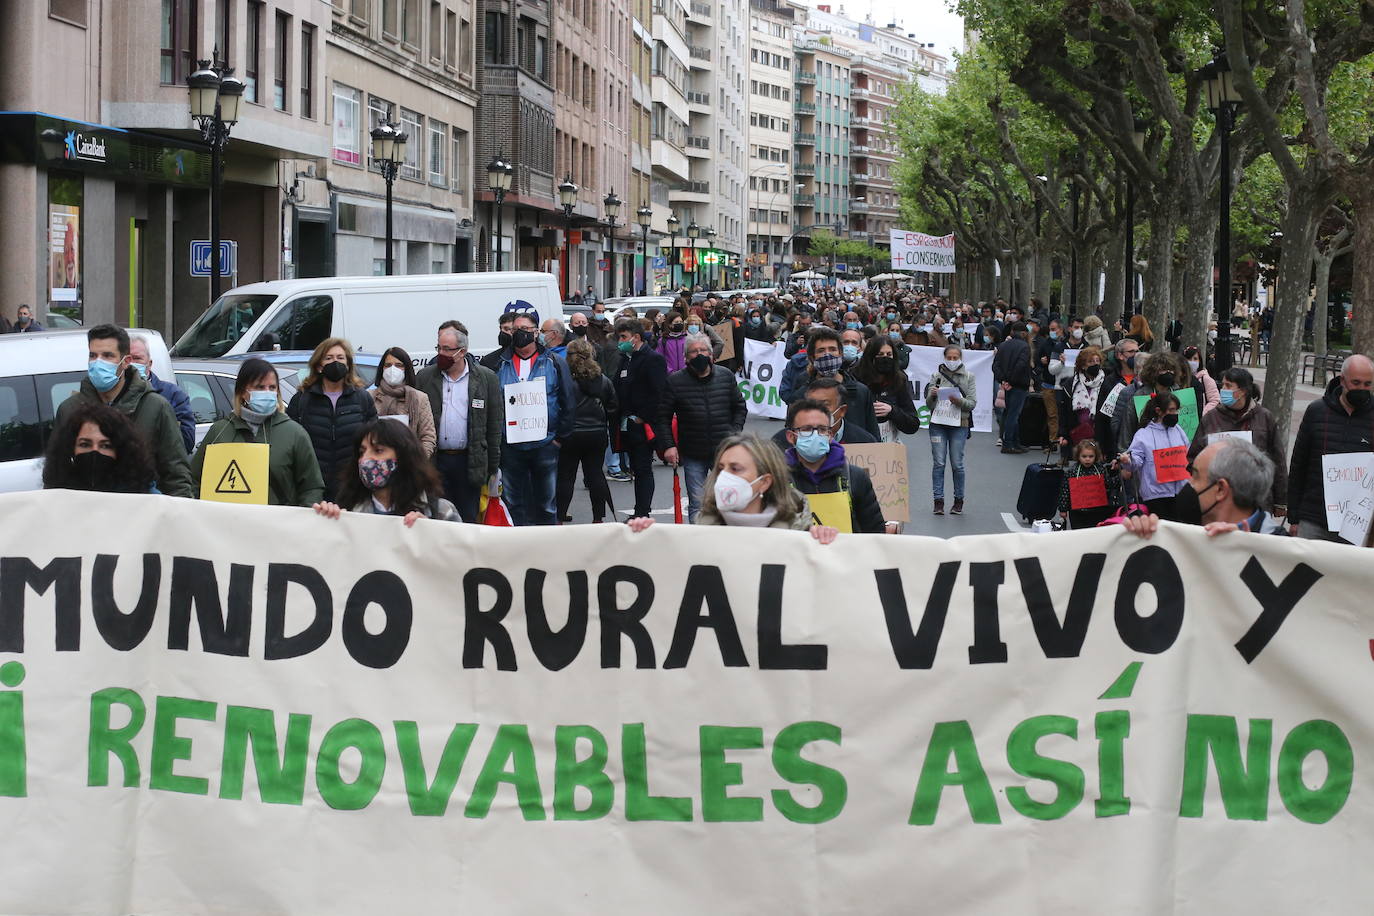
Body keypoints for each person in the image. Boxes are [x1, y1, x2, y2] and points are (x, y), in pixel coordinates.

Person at [55, 324, 194, 497]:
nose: (98, 362)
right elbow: (56, 474)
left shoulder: (156, 407)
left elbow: (176, 476)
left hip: (139, 514)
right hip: (86, 515)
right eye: (93, 355)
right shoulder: (69, 409)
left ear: (126, 361)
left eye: (107, 356)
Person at [627, 434, 838, 542]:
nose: (725, 477)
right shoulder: (701, 532)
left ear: (764, 481)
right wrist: (645, 539)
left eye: (736, 469)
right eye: (721, 469)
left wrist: (823, 542)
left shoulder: (800, 533)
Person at [191, 358, 324, 506]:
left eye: (272, 387)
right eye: (260, 387)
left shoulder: (294, 433)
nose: (267, 393)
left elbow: (312, 487)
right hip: (227, 524)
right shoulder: (219, 431)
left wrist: (301, 518)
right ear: (242, 392)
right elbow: (194, 481)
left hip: (276, 525)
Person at [413, 321, 503, 522]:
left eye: (447, 349)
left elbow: (494, 426)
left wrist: (492, 467)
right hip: (436, 460)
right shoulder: (426, 377)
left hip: (468, 462)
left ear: (462, 352)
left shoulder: (486, 379)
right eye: (439, 348)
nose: (441, 354)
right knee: (437, 517)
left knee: (468, 518)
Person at [496, 310, 576, 525]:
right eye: (515, 330)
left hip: (545, 444)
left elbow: (568, 400)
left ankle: (547, 550)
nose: (519, 334)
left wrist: (559, 438)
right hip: (511, 446)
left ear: (536, 332)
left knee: (547, 504)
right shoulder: (500, 363)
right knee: (512, 502)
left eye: (524, 329)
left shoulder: (554, 362)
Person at [661, 333, 748, 521]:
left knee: (729, 500)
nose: (699, 354)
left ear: (711, 354)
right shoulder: (675, 381)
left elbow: (739, 407)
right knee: (698, 502)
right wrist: (669, 445)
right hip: (693, 452)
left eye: (703, 350)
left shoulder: (725, 376)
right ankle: (698, 544)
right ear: (686, 357)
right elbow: (663, 417)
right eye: (693, 351)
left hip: (724, 451)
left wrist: (734, 434)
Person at [1287, 354, 1374, 542]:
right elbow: (1298, 466)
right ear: (1342, 380)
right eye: (1356, 382)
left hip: (1357, 524)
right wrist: (1294, 517)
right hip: (1313, 519)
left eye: (1367, 384)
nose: (1362, 389)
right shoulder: (1316, 411)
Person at [312, 419, 460, 525]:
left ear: (404, 456)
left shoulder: (441, 512)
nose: (365, 459)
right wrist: (327, 522)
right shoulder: (348, 510)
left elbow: (459, 560)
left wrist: (431, 535)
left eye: (378, 451)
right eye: (362, 452)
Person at [285, 337, 378, 501]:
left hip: (352, 487)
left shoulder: (362, 399)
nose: (335, 362)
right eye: (329, 358)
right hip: (312, 487)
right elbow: (292, 444)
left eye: (340, 358)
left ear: (348, 364)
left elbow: (373, 442)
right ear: (319, 365)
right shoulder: (301, 400)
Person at [1188, 366, 1286, 516]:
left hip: (1257, 501)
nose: (1223, 389)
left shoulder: (1265, 418)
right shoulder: (1210, 418)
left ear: (1243, 391)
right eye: (1223, 385)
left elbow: (1277, 461)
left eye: (1228, 385)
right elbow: (1194, 457)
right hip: (1218, 501)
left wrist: (1281, 501)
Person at [783, 398, 889, 534]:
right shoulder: (780, 481)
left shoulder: (855, 477)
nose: (815, 435)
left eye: (822, 429)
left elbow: (874, 532)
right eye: (807, 429)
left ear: (830, 435)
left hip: (845, 554)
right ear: (791, 436)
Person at [612, 316, 670, 519]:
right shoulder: (626, 360)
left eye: (623, 337)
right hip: (627, 425)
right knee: (636, 469)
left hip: (642, 425)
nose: (620, 341)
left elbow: (659, 393)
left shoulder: (653, 359)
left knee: (643, 469)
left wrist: (642, 418)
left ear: (636, 337)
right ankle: (640, 510)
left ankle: (642, 512)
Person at [556, 338, 617, 523]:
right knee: (595, 474)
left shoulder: (564, 378)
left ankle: (560, 515)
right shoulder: (602, 379)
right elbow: (613, 406)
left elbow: (556, 405)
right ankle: (598, 517)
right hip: (596, 433)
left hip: (570, 433)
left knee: (566, 476)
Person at [780, 327, 880, 438]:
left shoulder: (861, 392)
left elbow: (873, 434)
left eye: (832, 349)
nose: (828, 355)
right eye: (821, 351)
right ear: (812, 358)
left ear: (841, 354)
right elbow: (791, 434)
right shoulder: (800, 395)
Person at [42, 403, 156, 493]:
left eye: (105, 446)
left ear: (121, 451)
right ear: (70, 448)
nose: (95, 451)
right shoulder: (57, 493)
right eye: (85, 445)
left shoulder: (143, 494)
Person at [1119, 391, 1190, 520]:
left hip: (1180, 492)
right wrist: (1127, 460)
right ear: (1159, 411)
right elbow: (1136, 461)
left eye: (1176, 410)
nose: (1175, 414)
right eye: (1172, 410)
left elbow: (1187, 453)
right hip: (1156, 496)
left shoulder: (1179, 430)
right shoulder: (1143, 434)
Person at [924, 344, 977, 515]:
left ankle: (958, 501)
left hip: (959, 425)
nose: (952, 361)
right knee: (939, 463)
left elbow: (971, 404)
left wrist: (958, 401)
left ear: (960, 358)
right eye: (949, 358)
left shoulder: (968, 377)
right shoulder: (936, 376)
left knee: (957, 464)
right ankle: (938, 501)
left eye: (955, 358)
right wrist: (932, 395)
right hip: (938, 424)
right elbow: (928, 405)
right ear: (944, 358)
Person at [128, 334, 196, 453]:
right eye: (128, 359)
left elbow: (186, 442)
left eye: (137, 358)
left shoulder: (174, 395)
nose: (132, 364)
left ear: (149, 364)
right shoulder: (112, 395)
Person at [371, 346, 437, 457]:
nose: (392, 369)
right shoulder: (370, 397)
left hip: (410, 465)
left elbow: (428, 437)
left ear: (406, 369)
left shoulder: (420, 398)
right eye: (387, 365)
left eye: (399, 365)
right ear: (381, 369)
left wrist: (417, 462)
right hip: (377, 464)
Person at [855, 335, 920, 443]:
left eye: (889, 355)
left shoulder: (899, 380)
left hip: (888, 446)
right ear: (870, 356)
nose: (885, 358)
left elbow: (912, 424)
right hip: (861, 446)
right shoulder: (855, 377)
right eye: (880, 354)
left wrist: (892, 411)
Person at [1055, 346, 1112, 459]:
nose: (1095, 364)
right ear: (1083, 365)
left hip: (1100, 434)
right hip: (1078, 433)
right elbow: (1064, 412)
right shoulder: (1070, 384)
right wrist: (1063, 434)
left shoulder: (1107, 383)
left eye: (1097, 361)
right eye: (1090, 361)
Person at [1057, 438, 1120, 530]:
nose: (1087, 459)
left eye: (1091, 456)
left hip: (1097, 511)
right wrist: (1063, 509)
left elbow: (1108, 484)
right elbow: (1065, 491)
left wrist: (1120, 477)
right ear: (1078, 456)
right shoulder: (1072, 472)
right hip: (1077, 513)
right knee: (1079, 533)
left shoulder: (1100, 469)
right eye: (1084, 456)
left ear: (1096, 456)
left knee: (1096, 532)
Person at [993, 321, 1032, 454]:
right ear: (1023, 333)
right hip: (1018, 384)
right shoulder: (1025, 347)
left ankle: (1015, 442)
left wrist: (1003, 380)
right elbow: (1020, 365)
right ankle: (1009, 443)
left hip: (1007, 384)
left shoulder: (1003, 345)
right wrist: (1011, 381)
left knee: (1010, 412)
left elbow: (996, 365)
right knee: (1014, 414)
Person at [1182, 344, 1220, 413]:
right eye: (1189, 359)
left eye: (1195, 359)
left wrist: (1203, 413)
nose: (1192, 362)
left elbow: (1215, 400)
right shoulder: (1179, 378)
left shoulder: (1205, 379)